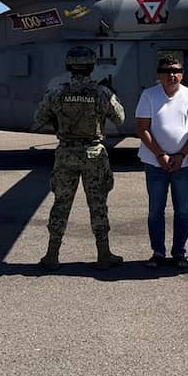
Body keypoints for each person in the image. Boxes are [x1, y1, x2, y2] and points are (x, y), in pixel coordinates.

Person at [34, 46, 126, 271]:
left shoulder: (56, 92)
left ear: (68, 66)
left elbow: (39, 118)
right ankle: (103, 254)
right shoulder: (102, 93)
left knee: (61, 204)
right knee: (98, 205)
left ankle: (52, 255)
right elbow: (121, 119)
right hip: (93, 154)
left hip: (66, 153)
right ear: (92, 66)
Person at [135, 56, 188, 268]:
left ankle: (179, 252)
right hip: (154, 163)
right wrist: (160, 155)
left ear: (182, 74)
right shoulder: (149, 95)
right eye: (166, 71)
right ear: (159, 75)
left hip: (183, 164)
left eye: (176, 71)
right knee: (155, 210)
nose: (171, 75)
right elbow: (142, 127)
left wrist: (181, 155)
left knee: (182, 210)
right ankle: (158, 252)